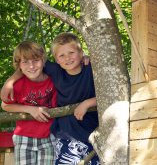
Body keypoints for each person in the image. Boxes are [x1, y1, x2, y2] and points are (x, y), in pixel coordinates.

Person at [1, 33, 100, 164]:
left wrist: (88, 103)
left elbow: (110, 95)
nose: (67, 58)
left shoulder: (91, 70)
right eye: (62, 55)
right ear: (56, 60)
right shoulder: (55, 71)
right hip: (65, 134)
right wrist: (9, 82)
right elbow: (27, 64)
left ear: (81, 53)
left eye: (71, 52)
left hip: (92, 132)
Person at [1, 41, 57, 165]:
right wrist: (30, 109)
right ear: (19, 65)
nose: (31, 66)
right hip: (23, 137)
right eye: (25, 62)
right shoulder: (17, 85)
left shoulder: (54, 80)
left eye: (35, 60)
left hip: (49, 136)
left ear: (43, 60)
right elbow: (5, 106)